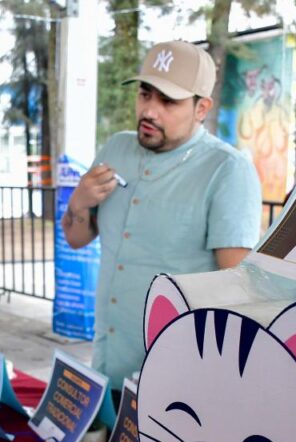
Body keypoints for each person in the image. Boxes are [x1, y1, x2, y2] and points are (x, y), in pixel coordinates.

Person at [61, 40, 262, 387]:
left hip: (178, 380)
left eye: (168, 101)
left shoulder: (226, 169)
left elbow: (238, 287)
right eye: (145, 94)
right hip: (108, 359)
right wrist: (79, 201)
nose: (150, 111)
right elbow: (76, 239)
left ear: (202, 108)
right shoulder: (116, 148)